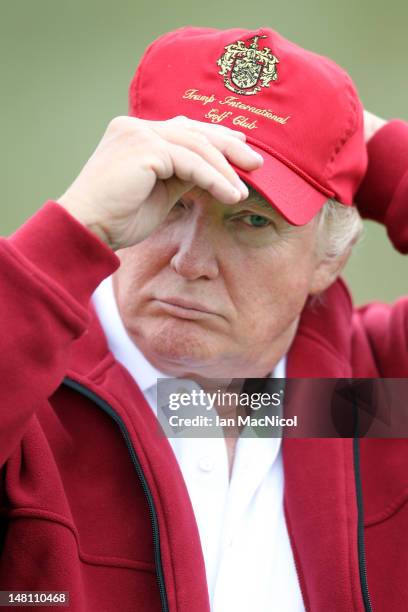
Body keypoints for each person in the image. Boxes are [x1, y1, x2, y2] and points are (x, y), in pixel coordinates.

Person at [0, 25, 407, 612]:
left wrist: (378, 153)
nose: (190, 262)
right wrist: (71, 230)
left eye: (252, 221)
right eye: (167, 202)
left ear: (331, 257)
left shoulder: (373, 398)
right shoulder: (30, 395)